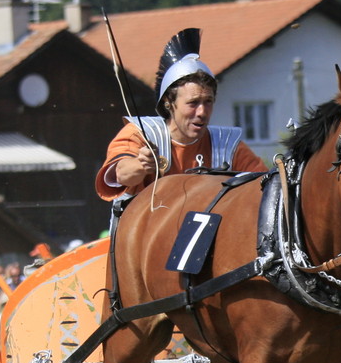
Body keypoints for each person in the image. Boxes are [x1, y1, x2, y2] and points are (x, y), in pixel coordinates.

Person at [94, 28, 265, 224]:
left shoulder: (227, 145)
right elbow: (119, 173)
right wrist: (140, 166)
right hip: (144, 243)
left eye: (208, 101)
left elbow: (262, 186)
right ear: (169, 102)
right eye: (193, 103)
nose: (202, 111)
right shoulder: (140, 134)